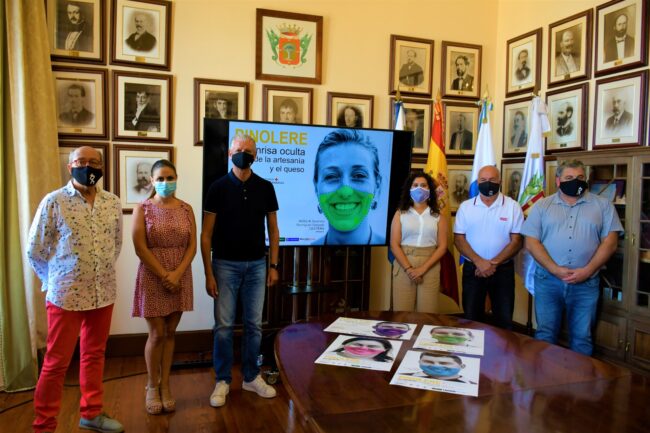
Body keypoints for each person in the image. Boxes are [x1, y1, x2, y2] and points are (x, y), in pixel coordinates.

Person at [27, 146, 124, 433]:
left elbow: (115, 244)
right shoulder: (54, 202)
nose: (87, 166)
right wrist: (54, 281)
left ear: (102, 167)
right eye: (81, 161)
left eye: (94, 162)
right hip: (65, 296)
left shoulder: (112, 203)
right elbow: (35, 250)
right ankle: (44, 425)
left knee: (94, 355)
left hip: (103, 293)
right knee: (56, 363)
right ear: (70, 167)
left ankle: (91, 413)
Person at [201, 134, 280, 408]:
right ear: (229, 154)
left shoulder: (266, 187)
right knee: (223, 327)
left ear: (255, 156)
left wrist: (273, 265)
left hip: (257, 266)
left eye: (248, 150)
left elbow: (274, 230)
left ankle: (251, 377)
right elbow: (206, 235)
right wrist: (208, 272)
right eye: (238, 149)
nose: (243, 153)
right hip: (224, 266)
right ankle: (222, 380)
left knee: (254, 326)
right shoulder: (217, 188)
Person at [521, 159, 623, 355]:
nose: (575, 181)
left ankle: (580, 376)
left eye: (580, 177)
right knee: (545, 333)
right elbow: (531, 243)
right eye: (569, 177)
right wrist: (555, 269)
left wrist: (587, 271)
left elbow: (610, 243)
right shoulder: (542, 206)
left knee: (582, 337)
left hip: (586, 283)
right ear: (558, 181)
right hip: (548, 281)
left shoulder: (603, 206)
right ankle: (545, 374)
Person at [132, 159, 196, 415]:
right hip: (153, 275)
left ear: (176, 179)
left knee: (170, 333)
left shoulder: (186, 209)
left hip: (180, 275)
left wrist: (177, 274)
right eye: (160, 179)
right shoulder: (143, 208)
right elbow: (140, 247)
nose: (165, 183)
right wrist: (164, 275)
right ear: (152, 181)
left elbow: (192, 246)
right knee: (157, 334)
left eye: (170, 178)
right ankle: (151, 385)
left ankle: (166, 385)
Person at [453, 165, 524, 329]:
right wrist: (479, 262)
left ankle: (502, 347)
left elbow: (517, 241)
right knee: (471, 319)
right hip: (473, 270)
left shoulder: (513, 207)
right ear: (478, 183)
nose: (488, 183)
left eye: (492, 179)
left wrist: (493, 264)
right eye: (483, 180)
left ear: (500, 181)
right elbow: (458, 239)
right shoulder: (466, 207)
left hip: (502, 271)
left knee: (504, 320)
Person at [312, 129, 385, 245]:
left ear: (377, 187)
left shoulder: (392, 251)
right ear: (316, 188)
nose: (345, 191)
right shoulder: (307, 248)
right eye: (331, 176)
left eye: (359, 175)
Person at [390, 172, 448, 313]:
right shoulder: (400, 213)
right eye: (415, 185)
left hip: (430, 265)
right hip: (404, 264)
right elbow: (394, 244)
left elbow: (442, 247)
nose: (419, 188)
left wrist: (422, 269)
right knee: (402, 314)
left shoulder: (438, 216)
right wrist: (409, 269)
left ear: (429, 189)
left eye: (423, 185)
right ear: (409, 189)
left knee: (428, 314)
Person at [409, 351, 475, 383]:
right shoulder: (407, 377)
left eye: (444, 363)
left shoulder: (470, 384)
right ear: (419, 362)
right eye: (428, 362)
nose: (436, 366)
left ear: (462, 366)